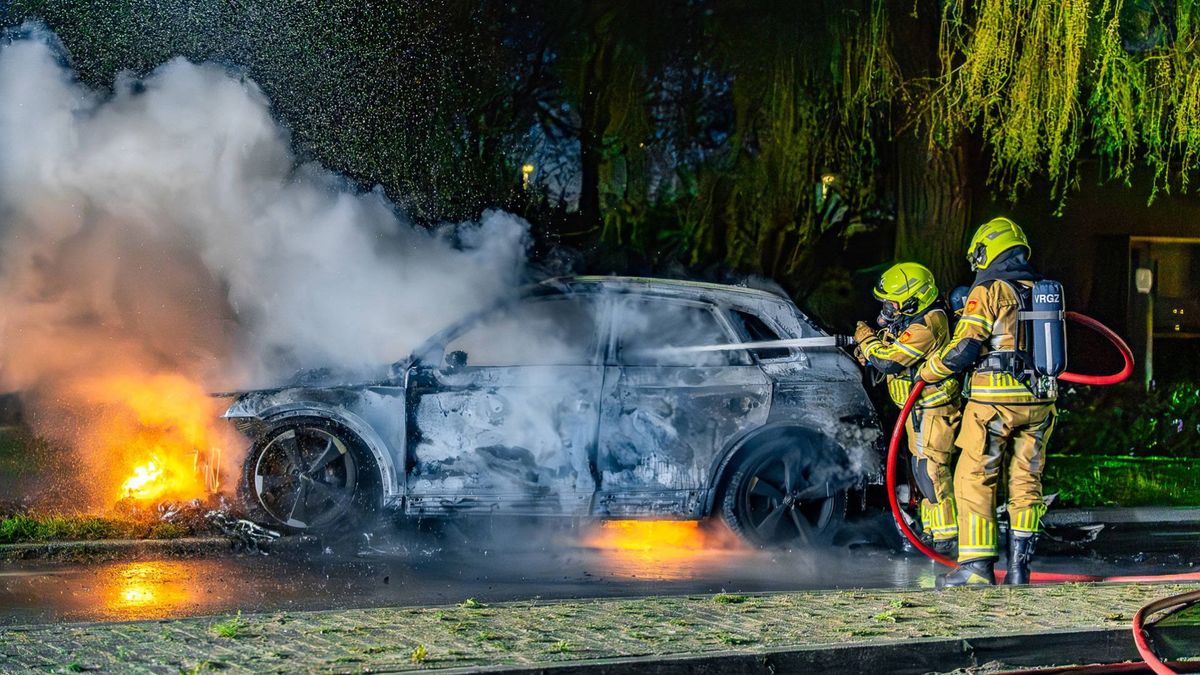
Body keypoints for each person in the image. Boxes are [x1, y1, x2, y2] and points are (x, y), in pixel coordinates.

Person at [918, 217, 1056, 586]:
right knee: (1027, 479)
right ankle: (1018, 570)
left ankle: (977, 568)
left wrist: (929, 371)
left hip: (995, 402)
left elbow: (965, 345)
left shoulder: (990, 291)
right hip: (1041, 402)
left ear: (987, 250)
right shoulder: (1039, 289)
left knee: (974, 476)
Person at [854, 263, 961, 555]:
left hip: (934, 409)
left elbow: (891, 360)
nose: (887, 310)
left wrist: (867, 341)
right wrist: (870, 351)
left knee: (932, 471)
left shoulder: (928, 323)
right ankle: (933, 532)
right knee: (921, 470)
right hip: (918, 410)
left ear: (914, 299)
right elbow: (890, 351)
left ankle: (948, 538)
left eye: (892, 304)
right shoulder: (911, 321)